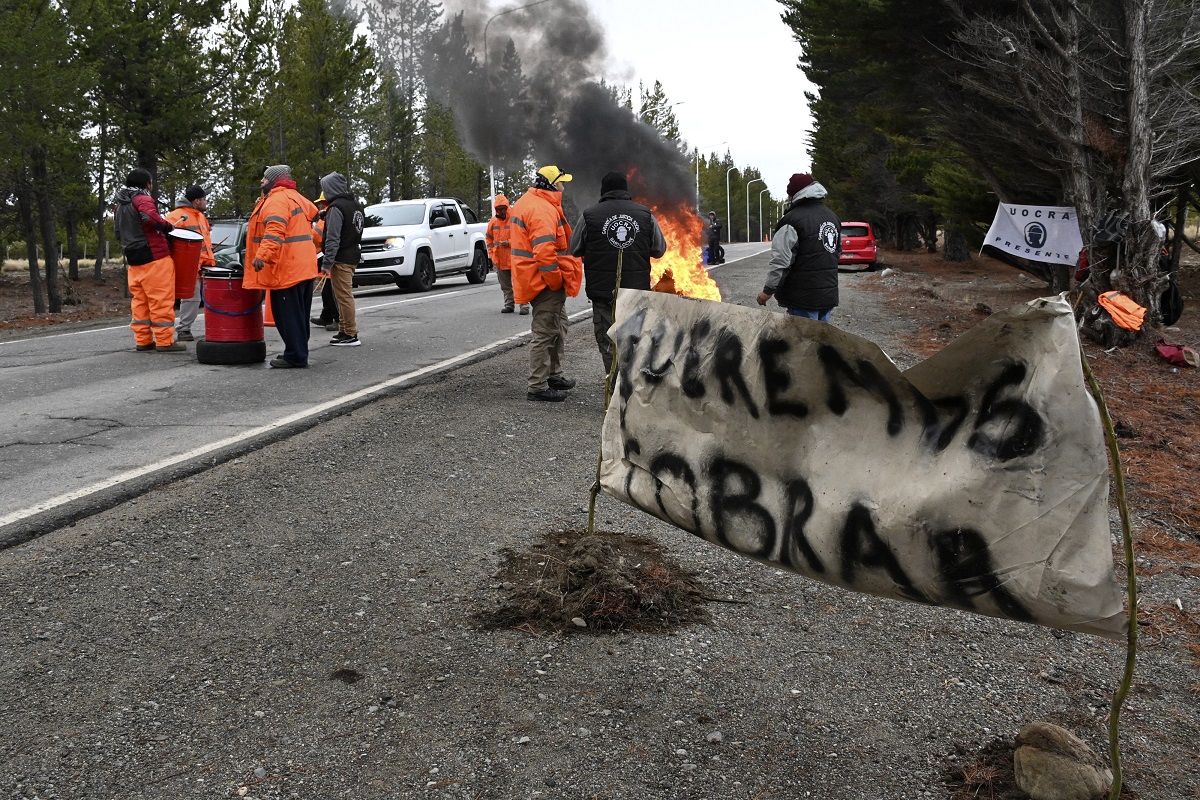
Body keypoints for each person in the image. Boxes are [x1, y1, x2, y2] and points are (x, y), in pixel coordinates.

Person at [569, 171, 667, 374]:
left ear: (603, 191)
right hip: (636, 292)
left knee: (609, 342)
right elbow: (659, 249)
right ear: (625, 190)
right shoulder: (645, 214)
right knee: (635, 340)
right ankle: (633, 385)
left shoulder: (589, 215)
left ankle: (614, 386)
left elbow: (575, 249)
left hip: (604, 293)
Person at [509, 165, 583, 402]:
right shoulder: (541, 209)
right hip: (544, 281)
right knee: (545, 332)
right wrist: (555, 281)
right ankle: (538, 386)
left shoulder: (531, 202)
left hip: (535, 277)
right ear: (551, 184)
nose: (564, 187)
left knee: (558, 326)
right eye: (561, 182)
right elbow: (544, 252)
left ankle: (553, 376)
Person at [243, 165, 320, 368]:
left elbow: (275, 230)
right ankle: (298, 352)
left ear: (273, 181)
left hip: (287, 268)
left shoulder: (277, 200)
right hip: (303, 266)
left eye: (264, 179)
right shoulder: (295, 197)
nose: (261, 182)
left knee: (287, 316)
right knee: (299, 314)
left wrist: (262, 255)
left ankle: (295, 356)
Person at [113, 168, 186, 352]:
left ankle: (143, 340)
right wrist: (167, 226)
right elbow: (150, 217)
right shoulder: (142, 199)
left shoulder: (120, 205)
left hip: (133, 259)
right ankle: (165, 341)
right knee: (160, 299)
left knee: (140, 302)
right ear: (147, 184)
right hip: (154, 257)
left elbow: (117, 233)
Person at [756, 172, 840, 322]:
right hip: (827, 295)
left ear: (795, 194)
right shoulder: (832, 217)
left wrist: (767, 291)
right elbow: (836, 252)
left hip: (802, 298)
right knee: (821, 335)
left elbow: (781, 261)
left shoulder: (792, 220)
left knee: (803, 336)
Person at [318, 172, 365, 347]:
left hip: (341, 257)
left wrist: (327, 262)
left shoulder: (336, 208)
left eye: (325, 188)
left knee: (344, 296)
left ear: (331, 189)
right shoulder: (356, 205)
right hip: (352, 253)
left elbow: (333, 237)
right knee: (341, 295)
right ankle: (344, 330)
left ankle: (351, 333)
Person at [165, 185, 215, 342]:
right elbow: (166, 239)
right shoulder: (176, 216)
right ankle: (183, 330)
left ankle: (187, 328)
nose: (206, 202)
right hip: (189, 266)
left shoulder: (200, 217)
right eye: (205, 199)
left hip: (205, 265)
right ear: (197, 200)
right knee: (191, 297)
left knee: (197, 298)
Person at [487, 194, 528, 315]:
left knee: (519, 284)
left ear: (507, 207)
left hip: (515, 258)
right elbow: (489, 239)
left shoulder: (515, 218)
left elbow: (522, 236)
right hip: (500, 259)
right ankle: (509, 304)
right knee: (505, 286)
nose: (501, 211)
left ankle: (524, 306)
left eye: (503, 208)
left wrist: (509, 243)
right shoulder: (493, 221)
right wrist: (492, 255)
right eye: (498, 209)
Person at [310, 193, 339, 332]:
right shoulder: (327, 214)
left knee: (330, 290)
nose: (318, 205)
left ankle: (338, 319)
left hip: (327, 256)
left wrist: (308, 232)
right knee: (326, 290)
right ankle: (326, 316)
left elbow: (318, 236)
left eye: (320, 202)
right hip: (324, 255)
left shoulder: (328, 214)